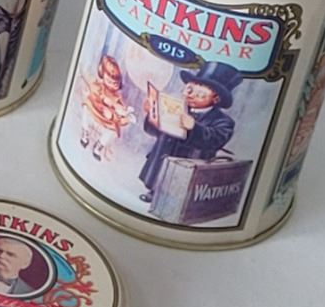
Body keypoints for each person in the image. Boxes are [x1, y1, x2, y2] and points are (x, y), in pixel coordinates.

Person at [138, 61, 239, 204]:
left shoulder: (223, 121)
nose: (191, 93)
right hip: (164, 158)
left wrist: (194, 128)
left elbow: (215, 139)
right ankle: (154, 192)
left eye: (201, 90)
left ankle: (181, 200)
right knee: (160, 176)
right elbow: (156, 132)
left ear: (216, 98)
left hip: (191, 162)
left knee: (183, 186)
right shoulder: (178, 108)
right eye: (192, 86)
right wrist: (152, 115)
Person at [77, 53, 134, 161]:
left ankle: (99, 146)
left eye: (115, 83)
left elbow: (121, 111)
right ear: (102, 75)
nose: (112, 85)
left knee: (113, 131)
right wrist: (102, 101)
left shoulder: (117, 97)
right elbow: (91, 89)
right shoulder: (99, 87)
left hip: (106, 122)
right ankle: (85, 133)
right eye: (109, 81)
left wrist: (123, 115)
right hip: (94, 114)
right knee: (86, 106)